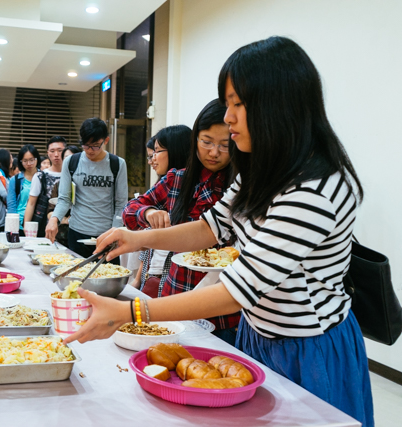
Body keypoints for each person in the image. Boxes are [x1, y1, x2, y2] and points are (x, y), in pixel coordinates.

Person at [65, 36, 373, 427]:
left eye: (237, 104)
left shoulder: (314, 188)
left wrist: (130, 312)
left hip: (307, 347)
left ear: (277, 104)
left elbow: (238, 290)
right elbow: (209, 228)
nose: (228, 119)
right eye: (227, 105)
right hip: (257, 333)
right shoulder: (262, 173)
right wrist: (139, 237)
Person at [124, 102, 241, 346]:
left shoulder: (240, 186)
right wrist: (147, 213)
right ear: (194, 139)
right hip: (176, 290)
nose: (214, 152)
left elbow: (209, 232)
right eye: (206, 141)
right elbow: (130, 211)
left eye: (224, 145)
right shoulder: (177, 179)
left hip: (221, 307)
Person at [125, 125, 192, 299]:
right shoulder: (170, 181)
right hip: (156, 276)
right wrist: (147, 212)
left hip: (182, 283)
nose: (152, 160)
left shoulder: (195, 185)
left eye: (156, 152)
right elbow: (130, 210)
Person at [47, 118, 128, 258]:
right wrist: (54, 219)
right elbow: (64, 199)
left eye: (96, 145)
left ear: (106, 140)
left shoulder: (117, 164)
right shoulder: (71, 162)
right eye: (86, 145)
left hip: (106, 234)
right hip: (77, 232)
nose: (90, 150)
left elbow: (121, 203)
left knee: (106, 276)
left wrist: (115, 232)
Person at [24, 136, 67, 236]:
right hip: (45, 226)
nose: (56, 154)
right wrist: (27, 226)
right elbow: (31, 203)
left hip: (68, 227)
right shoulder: (40, 176)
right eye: (52, 151)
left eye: (60, 150)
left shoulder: (73, 174)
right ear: (48, 153)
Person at [7, 144, 40, 232]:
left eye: (31, 160)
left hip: (39, 222)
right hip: (19, 224)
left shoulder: (43, 177)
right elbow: (11, 205)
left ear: (37, 159)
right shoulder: (15, 180)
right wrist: (13, 227)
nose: (29, 164)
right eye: (25, 161)